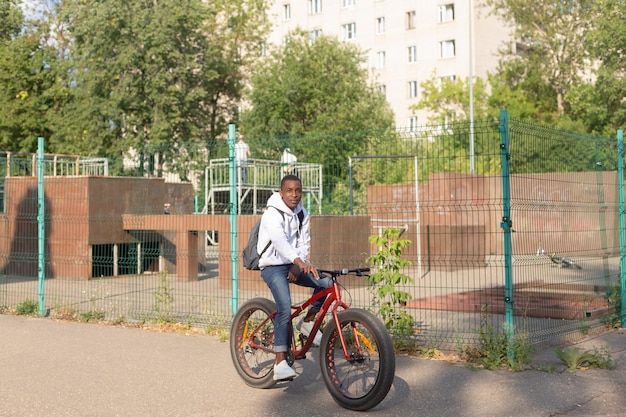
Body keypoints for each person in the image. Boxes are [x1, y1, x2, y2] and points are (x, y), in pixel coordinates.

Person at [257, 174, 331, 381]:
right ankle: (280, 362)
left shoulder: (301, 213)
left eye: (298, 190)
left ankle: (307, 323)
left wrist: (300, 264)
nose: (294, 195)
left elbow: (304, 241)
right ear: (281, 193)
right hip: (272, 266)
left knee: (325, 283)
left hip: (293, 263)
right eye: (289, 191)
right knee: (284, 306)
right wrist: (298, 262)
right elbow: (279, 241)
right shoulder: (272, 214)